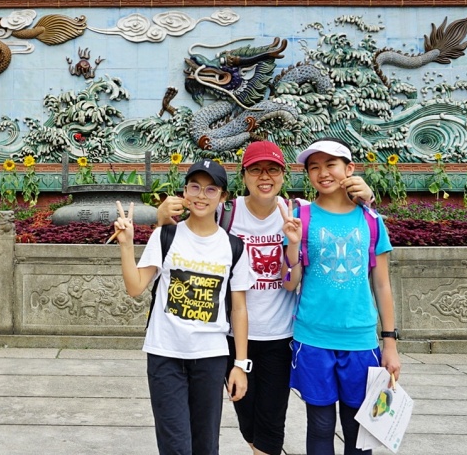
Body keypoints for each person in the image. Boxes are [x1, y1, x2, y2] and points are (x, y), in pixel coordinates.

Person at [155, 141, 375, 455]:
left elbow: (344, 212)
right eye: (256, 170)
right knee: (247, 420)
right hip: (231, 335)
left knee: (271, 424)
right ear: (243, 175)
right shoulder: (225, 212)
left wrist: (368, 196)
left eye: (272, 170)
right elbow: (184, 234)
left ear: (283, 175)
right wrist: (162, 217)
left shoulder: (299, 211)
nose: (264, 177)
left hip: (280, 335)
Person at [113, 159, 255, 455]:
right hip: (166, 355)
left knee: (205, 445)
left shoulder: (234, 247)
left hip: (211, 356)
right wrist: (126, 245)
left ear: (223, 197)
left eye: (211, 189)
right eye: (195, 187)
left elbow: (239, 309)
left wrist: (240, 365)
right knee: (175, 445)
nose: (201, 196)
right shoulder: (165, 236)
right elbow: (135, 287)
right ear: (184, 192)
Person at [283, 139, 400, 455]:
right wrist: (292, 245)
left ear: (349, 169)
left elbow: (382, 285)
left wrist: (390, 343)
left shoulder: (371, 221)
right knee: (320, 426)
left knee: (358, 429)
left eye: (330, 165)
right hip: (313, 338)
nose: (323, 173)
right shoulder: (301, 217)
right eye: (314, 167)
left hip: (360, 340)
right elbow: (290, 283)